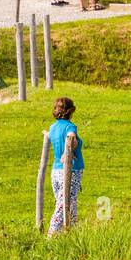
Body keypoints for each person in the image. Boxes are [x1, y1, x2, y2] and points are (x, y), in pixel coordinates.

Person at [47, 96, 84, 236]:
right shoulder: (70, 126)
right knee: (63, 204)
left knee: (70, 202)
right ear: (70, 111)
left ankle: (71, 232)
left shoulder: (52, 127)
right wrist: (69, 149)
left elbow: (52, 137)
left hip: (55, 171)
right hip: (71, 170)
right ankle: (51, 235)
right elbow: (71, 136)